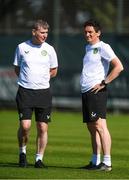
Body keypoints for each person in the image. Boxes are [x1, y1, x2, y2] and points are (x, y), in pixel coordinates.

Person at [13, 19, 58, 168]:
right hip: (25, 92)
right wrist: (28, 80)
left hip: (43, 93)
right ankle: (22, 152)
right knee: (25, 126)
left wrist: (41, 79)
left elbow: (54, 70)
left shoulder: (50, 49)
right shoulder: (21, 47)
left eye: (46, 33)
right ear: (34, 32)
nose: (45, 35)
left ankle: (39, 159)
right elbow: (17, 68)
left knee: (42, 127)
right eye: (42, 32)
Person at [80, 19, 123, 171]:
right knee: (92, 127)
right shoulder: (87, 48)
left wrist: (104, 82)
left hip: (96, 92)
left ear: (98, 33)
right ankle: (95, 161)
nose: (87, 34)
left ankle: (107, 162)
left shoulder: (104, 47)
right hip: (86, 91)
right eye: (85, 32)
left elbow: (119, 67)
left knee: (100, 126)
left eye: (90, 32)